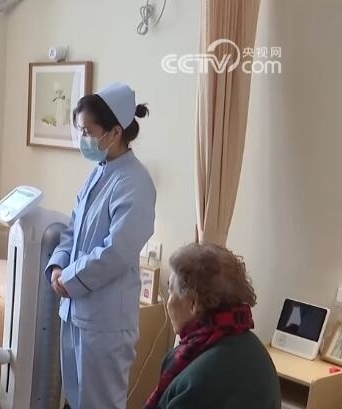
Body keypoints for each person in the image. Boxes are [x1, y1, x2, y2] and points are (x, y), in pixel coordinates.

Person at [46, 82, 157, 409]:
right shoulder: (98, 173)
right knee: (75, 400)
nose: (83, 138)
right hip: (76, 312)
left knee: (100, 404)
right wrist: (58, 265)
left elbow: (117, 251)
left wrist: (70, 278)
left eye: (87, 131)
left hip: (105, 320)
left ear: (115, 132)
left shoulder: (135, 183)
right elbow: (72, 229)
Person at [144, 243, 280, 409]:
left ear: (193, 304)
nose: (168, 301)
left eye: (171, 290)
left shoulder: (197, 381)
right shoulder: (256, 350)